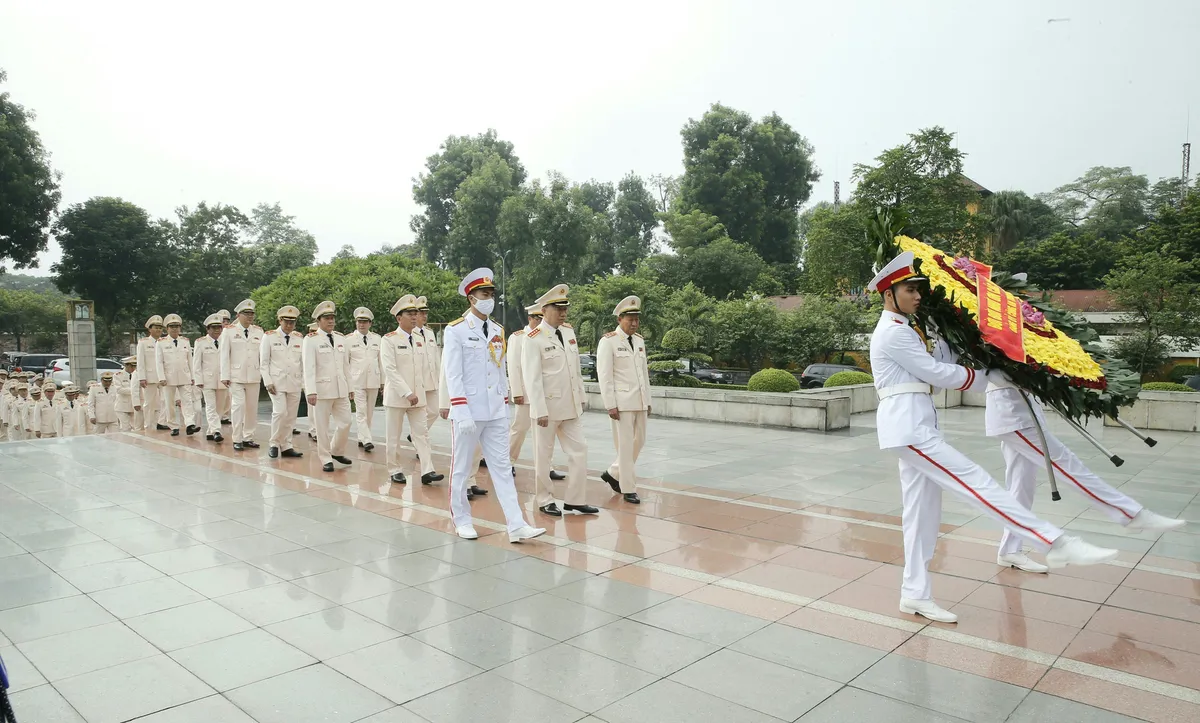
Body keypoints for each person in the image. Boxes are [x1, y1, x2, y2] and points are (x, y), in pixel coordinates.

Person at [869, 251, 1119, 623]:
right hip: (909, 428)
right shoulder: (892, 332)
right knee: (976, 483)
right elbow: (939, 373)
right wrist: (991, 378)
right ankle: (1054, 541)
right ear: (889, 294)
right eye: (910, 290)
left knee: (921, 515)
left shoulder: (912, 329)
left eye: (919, 289)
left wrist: (977, 337)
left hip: (916, 423)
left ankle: (914, 593)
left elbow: (948, 359)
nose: (918, 296)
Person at [985, 379, 1185, 572]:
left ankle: (1009, 549)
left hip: (1022, 409)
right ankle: (1131, 514)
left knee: (1021, 487)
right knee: (1068, 465)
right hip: (1013, 414)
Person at [441, 268, 545, 543]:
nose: (490, 299)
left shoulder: (498, 330)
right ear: (471, 298)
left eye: (491, 294)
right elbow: (453, 374)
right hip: (469, 410)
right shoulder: (456, 331)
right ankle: (461, 520)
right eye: (484, 294)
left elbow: (499, 370)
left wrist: (504, 399)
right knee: (461, 468)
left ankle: (516, 524)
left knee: (501, 467)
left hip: (495, 410)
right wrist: (459, 409)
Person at [522, 283, 596, 517]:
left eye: (565, 308)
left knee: (580, 450)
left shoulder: (568, 333)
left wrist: (581, 397)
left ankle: (575, 499)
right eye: (558, 308)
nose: (563, 312)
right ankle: (544, 499)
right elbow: (532, 378)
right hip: (547, 408)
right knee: (544, 456)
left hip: (570, 406)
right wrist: (539, 409)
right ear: (544, 309)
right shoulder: (533, 338)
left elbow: (575, 370)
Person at [380, 295, 443, 485]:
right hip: (398, 397)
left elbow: (426, 365)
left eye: (416, 313)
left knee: (422, 434)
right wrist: (407, 392)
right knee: (394, 436)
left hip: (419, 396)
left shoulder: (419, 338)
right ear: (399, 318)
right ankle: (395, 469)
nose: (415, 317)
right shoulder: (389, 340)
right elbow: (390, 370)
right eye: (410, 313)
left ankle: (427, 470)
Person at [597, 295, 651, 505]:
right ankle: (628, 488)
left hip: (640, 401)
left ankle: (613, 472)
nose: (635, 323)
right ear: (620, 319)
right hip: (622, 403)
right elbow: (604, 375)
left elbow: (643, 373)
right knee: (626, 446)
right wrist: (610, 404)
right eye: (630, 320)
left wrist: (648, 400)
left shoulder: (639, 341)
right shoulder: (608, 341)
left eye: (637, 319)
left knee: (640, 441)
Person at [507, 303, 568, 483]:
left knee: (544, 435)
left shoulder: (548, 336)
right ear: (530, 318)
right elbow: (514, 366)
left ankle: (546, 467)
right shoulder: (518, 338)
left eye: (540, 318)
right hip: (526, 394)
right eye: (535, 318)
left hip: (545, 395)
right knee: (520, 428)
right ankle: (508, 461)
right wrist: (517, 391)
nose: (538, 321)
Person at [303, 301, 355, 472]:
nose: (331, 321)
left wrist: (350, 387)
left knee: (346, 422)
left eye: (332, 318)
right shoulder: (311, 340)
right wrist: (310, 391)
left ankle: (336, 450)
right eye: (327, 318)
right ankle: (325, 458)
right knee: (322, 427)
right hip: (321, 390)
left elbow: (346, 365)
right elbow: (308, 367)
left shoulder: (341, 338)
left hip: (340, 388)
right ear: (318, 321)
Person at [261, 305, 306, 459]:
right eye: (286, 322)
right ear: (280, 320)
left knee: (291, 416)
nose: (289, 325)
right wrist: (267, 381)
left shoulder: (299, 338)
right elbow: (264, 362)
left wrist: (304, 384)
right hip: (276, 382)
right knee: (280, 412)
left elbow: (302, 363)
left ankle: (286, 445)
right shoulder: (269, 336)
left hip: (294, 382)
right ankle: (274, 443)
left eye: (292, 322)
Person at [220, 299, 265, 451]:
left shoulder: (259, 331)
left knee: (252, 408)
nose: (250, 316)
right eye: (246, 313)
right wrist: (224, 375)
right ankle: (237, 438)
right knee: (238, 406)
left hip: (253, 374)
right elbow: (224, 354)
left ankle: (248, 437)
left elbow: (263, 355)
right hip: (236, 375)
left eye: (252, 313)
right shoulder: (229, 331)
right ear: (238, 315)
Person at [348, 306, 383, 451]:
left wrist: (383, 382)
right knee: (361, 411)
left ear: (370, 323)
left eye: (365, 322)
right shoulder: (348, 340)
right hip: (357, 381)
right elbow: (345, 363)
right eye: (359, 321)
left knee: (369, 413)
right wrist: (348, 385)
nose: (361, 324)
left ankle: (362, 438)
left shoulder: (377, 338)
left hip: (373, 380)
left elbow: (381, 362)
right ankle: (367, 439)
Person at [156, 313, 198, 437]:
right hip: (168, 377)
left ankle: (190, 424)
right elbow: (159, 362)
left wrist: (193, 376)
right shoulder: (161, 342)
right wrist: (161, 377)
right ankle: (173, 425)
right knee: (169, 403)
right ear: (167, 328)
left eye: (177, 326)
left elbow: (190, 360)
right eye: (172, 326)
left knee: (187, 401)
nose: (175, 329)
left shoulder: (185, 341)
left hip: (184, 375)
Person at [193, 314, 226, 442]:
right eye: (214, 327)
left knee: (220, 408)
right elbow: (196, 363)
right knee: (211, 406)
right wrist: (198, 379)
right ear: (208, 329)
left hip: (223, 379)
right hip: (207, 380)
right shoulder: (200, 342)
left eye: (219, 327)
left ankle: (210, 431)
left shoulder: (225, 340)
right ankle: (217, 431)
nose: (217, 330)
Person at [137, 315, 169, 431]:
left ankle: (161, 422)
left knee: (165, 400)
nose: (158, 330)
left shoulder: (165, 342)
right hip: (150, 376)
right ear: (150, 329)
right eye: (156, 327)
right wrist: (142, 377)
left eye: (160, 328)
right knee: (149, 403)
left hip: (164, 376)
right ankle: (148, 425)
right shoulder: (143, 342)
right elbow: (140, 361)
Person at [217, 309, 234, 424]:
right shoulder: (215, 335)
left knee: (229, 395)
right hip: (216, 370)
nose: (226, 323)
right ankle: (218, 416)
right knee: (219, 396)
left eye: (227, 320)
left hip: (230, 368)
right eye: (223, 321)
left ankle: (225, 416)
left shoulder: (231, 334)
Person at [114, 356, 138, 431]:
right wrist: (134, 390)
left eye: (135, 366)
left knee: (137, 427)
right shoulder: (118, 375)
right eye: (132, 366)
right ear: (127, 365)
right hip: (122, 406)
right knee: (125, 428)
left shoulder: (138, 374)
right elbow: (119, 390)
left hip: (134, 405)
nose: (134, 368)